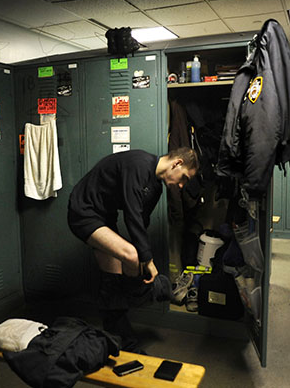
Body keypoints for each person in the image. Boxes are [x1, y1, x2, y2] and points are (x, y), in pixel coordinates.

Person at [67, 147, 199, 350]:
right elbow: (132, 215)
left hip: (104, 218)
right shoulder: (138, 163)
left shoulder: (155, 188)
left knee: (112, 280)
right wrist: (148, 261)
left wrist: (143, 259)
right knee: (131, 255)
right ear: (177, 163)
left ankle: (120, 340)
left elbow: (142, 223)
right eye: (184, 178)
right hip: (83, 210)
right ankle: (148, 290)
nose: (181, 185)